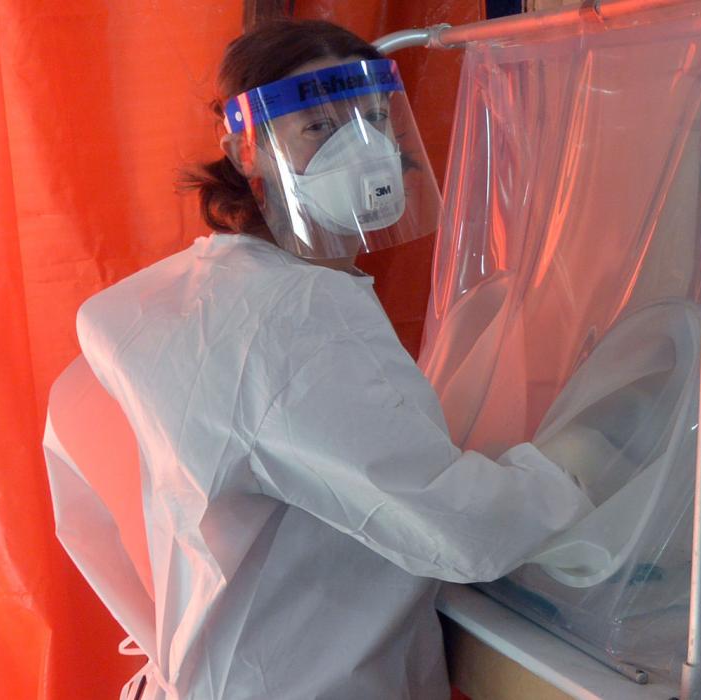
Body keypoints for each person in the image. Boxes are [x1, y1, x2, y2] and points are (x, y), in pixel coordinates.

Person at [41, 19, 593, 699]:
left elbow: (85, 489)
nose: (359, 149)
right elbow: (458, 530)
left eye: (372, 118)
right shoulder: (297, 321)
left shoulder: (195, 288)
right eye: (318, 127)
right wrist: (576, 470)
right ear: (249, 151)